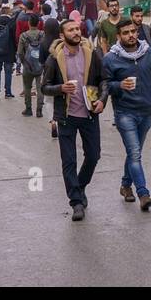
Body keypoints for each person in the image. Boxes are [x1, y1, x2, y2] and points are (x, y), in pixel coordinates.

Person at [41, 18, 106, 221]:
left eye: (78, 28)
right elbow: (44, 87)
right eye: (71, 30)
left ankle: (79, 185)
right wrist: (60, 88)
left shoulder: (92, 54)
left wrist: (102, 100)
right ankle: (76, 202)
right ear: (62, 35)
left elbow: (103, 79)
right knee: (69, 161)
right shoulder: (54, 59)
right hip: (66, 116)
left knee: (94, 155)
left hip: (89, 113)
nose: (76, 32)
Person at [105, 19, 151, 211]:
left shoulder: (148, 52)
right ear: (118, 36)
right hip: (125, 112)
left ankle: (125, 185)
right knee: (135, 153)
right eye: (126, 32)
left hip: (146, 110)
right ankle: (143, 193)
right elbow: (104, 85)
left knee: (134, 152)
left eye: (133, 31)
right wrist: (119, 85)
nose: (131, 35)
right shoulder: (111, 58)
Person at [17, 13, 45, 117]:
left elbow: (20, 52)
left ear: (29, 23)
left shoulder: (23, 36)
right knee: (40, 88)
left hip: (28, 66)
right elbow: (46, 49)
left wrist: (24, 63)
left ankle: (28, 109)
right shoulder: (42, 34)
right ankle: (39, 110)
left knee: (27, 87)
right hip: (40, 65)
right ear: (38, 23)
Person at [40, 17, 62, 135]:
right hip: (61, 74)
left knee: (49, 100)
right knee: (60, 98)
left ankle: (53, 122)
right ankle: (60, 120)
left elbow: (41, 60)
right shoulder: (60, 42)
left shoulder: (43, 43)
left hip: (47, 74)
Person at [0, 4, 16, 99]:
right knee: (8, 71)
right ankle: (8, 92)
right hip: (9, 49)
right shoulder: (12, 22)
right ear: (8, 12)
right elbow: (15, 37)